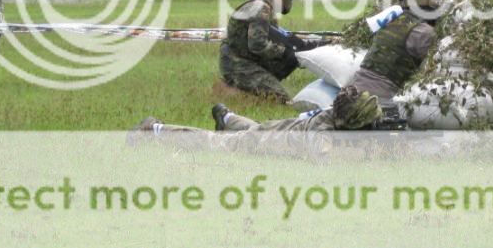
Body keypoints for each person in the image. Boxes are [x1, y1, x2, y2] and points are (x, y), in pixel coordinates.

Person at [130, 87, 386, 143]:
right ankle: (153, 129)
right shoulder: (324, 133)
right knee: (211, 142)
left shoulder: (332, 115)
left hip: (274, 130)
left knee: (254, 127)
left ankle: (227, 118)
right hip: (263, 145)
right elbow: (326, 165)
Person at [349, 0, 442, 116]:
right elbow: (435, 73)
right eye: (435, 2)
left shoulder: (388, 21)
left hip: (355, 89)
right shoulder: (424, 32)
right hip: (381, 100)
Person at [219, 0, 314, 103]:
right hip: (237, 63)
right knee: (282, 100)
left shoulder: (260, 6)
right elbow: (257, 44)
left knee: (290, 58)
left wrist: (300, 48)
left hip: (241, 59)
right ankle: (236, 89)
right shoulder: (261, 8)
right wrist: (284, 52)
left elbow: (276, 37)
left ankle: (240, 90)